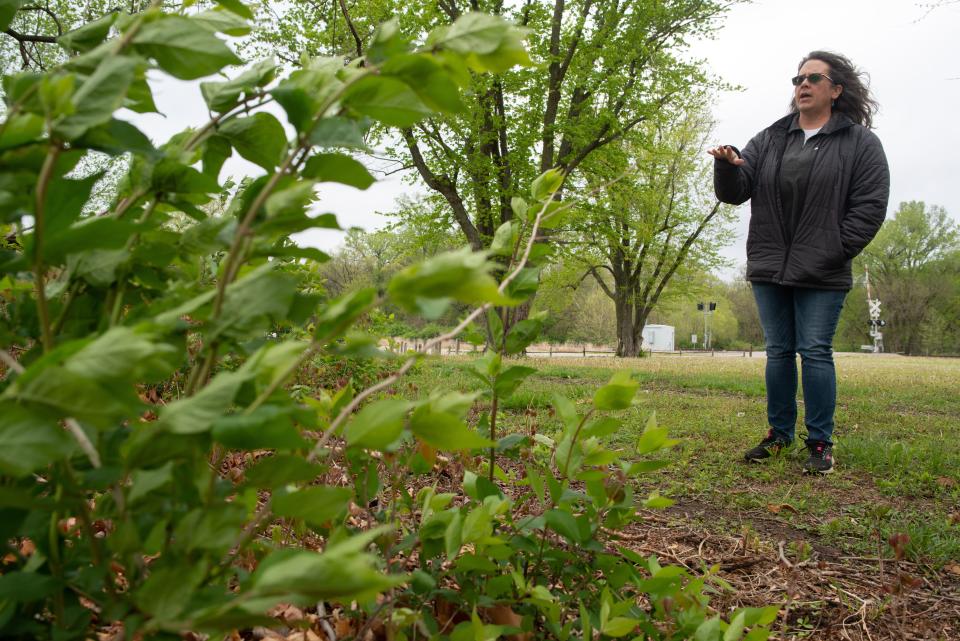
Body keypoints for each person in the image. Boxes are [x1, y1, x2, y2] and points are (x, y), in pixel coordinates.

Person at [709, 51, 889, 474]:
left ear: (836, 90)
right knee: (777, 352)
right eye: (797, 78)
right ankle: (778, 436)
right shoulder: (772, 138)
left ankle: (821, 444)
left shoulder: (860, 143)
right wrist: (727, 166)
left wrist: (834, 249)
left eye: (813, 78)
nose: (802, 85)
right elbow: (736, 191)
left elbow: (870, 206)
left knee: (815, 352)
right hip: (771, 264)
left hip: (822, 269)